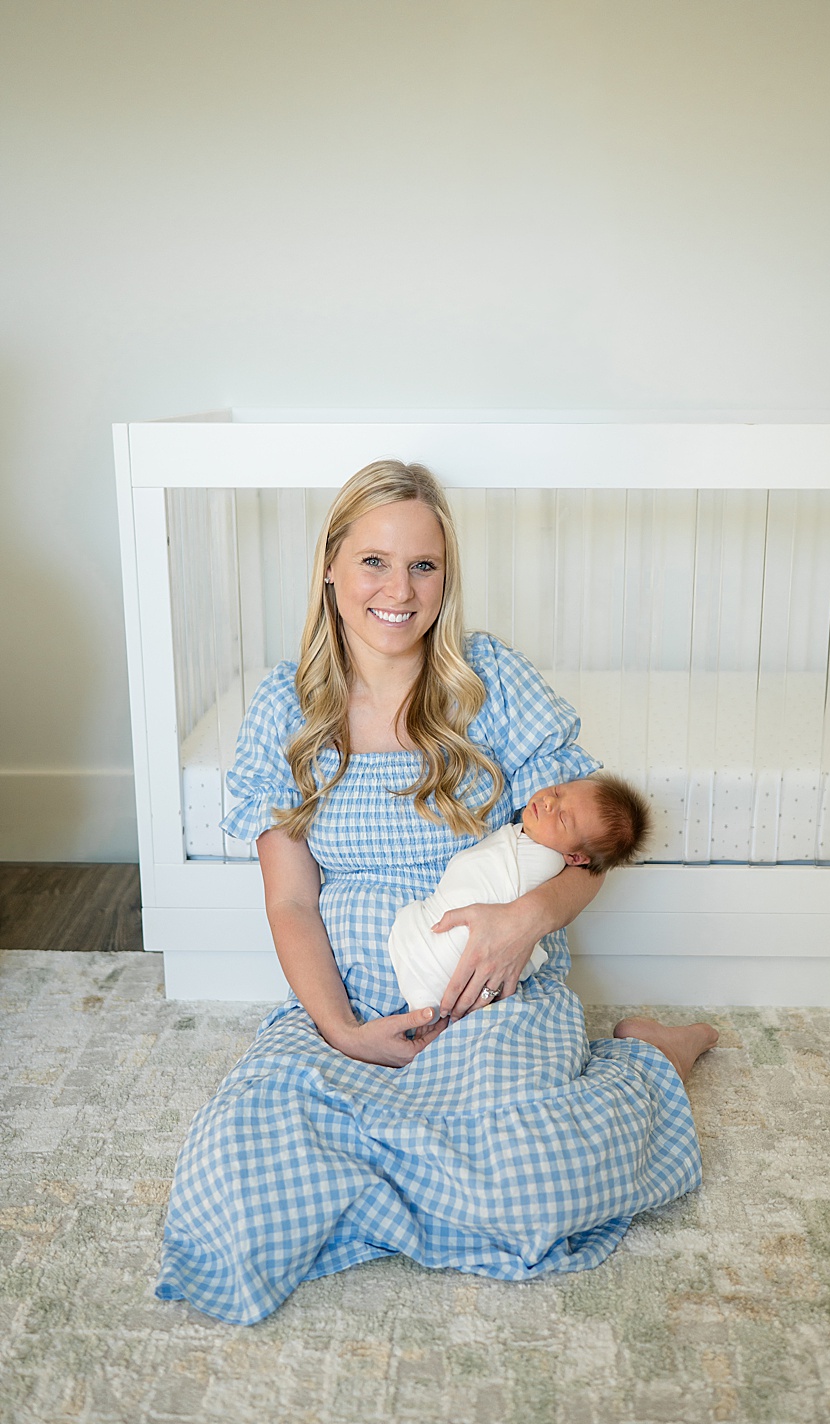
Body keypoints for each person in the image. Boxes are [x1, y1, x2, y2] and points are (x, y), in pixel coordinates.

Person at [155, 460, 716, 1325]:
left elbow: (586, 849)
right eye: (375, 560)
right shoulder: (286, 708)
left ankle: (649, 1062)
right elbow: (291, 903)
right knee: (229, 1183)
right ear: (332, 566)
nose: (399, 589)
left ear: (446, 579)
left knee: (535, 1183)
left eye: (424, 565)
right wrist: (341, 1029)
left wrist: (524, 922)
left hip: (488, 994)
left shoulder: (487, 681)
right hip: (350, 1003)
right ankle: (412, 1180)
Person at [385, 771, 652, 1015]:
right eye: (558, 791)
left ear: (574, 857)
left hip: (448, 959)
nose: (548, 802)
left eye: (562, 818)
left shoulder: (545, 861)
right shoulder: (532, 837)